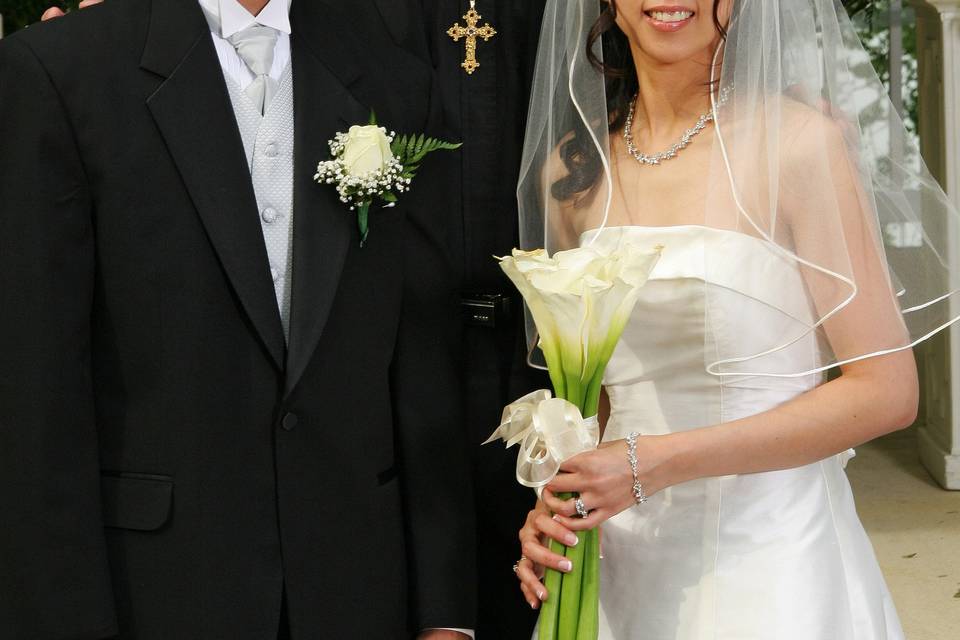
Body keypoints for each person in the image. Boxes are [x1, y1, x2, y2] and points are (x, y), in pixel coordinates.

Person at [0, 1, 474, 638]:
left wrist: (444, 615)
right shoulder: (59, 70)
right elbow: (37, 397)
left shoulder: (394, 76)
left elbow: (421, 365)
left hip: (356, 589)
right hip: (156, 590)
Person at [513, 0, 960, 638]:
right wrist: (557, 501)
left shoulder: (800, 145)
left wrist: (652, 463)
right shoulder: (572, 170)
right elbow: (595, 398)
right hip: (621, 558)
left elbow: (887, 392)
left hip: (769, 555)